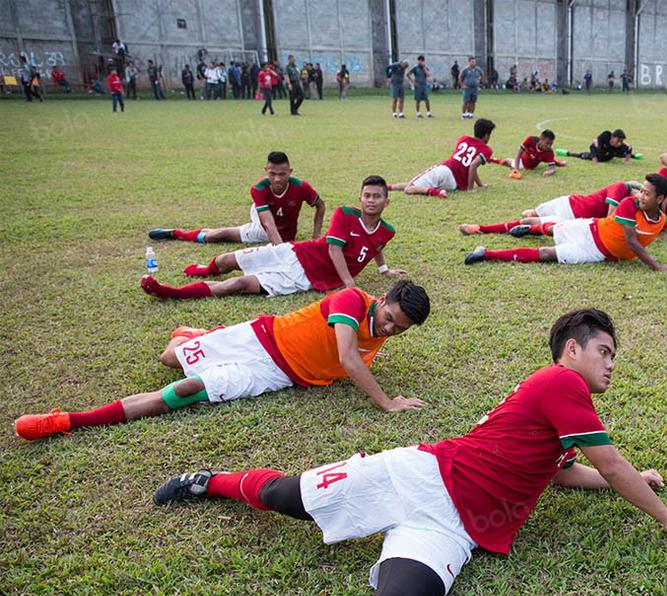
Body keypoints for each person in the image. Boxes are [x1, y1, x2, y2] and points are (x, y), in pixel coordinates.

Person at [146, 308, 667, 596]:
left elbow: (563, 474)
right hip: (420, 477)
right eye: (604, 352)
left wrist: (630, 482)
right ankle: (208, 481)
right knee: (286, 497)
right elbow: (610, 464)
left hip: (455, 528)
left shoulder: (553, 399)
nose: (611, 365)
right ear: (572, 349)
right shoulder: (561, 382)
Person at [14, 280, 431, 442]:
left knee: (184, 391)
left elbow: (343, 361)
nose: (390, 329)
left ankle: (67, 420)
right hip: (259, 338)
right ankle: (195, 336)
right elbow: (345, 357)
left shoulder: (380, 333)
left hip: (272, 375)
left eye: (400, 329)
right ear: (385, 299)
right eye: (390, 318)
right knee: (169, 359)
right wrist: (387, 402)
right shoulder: (351, 300)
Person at [139, 176, 403, 300]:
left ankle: (171, 293)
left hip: (304, 279)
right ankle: (204, 270)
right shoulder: (344, 214)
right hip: (296, 252)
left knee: (239, 284)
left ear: (386, 202)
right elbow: (334, 251)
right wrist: (350, 284)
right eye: (366, 195)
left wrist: (383, 268)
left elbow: (376, 245)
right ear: (360, 198)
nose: (371, 200)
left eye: (376, 196)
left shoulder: (387, 231)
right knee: (227, 259)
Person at [464, 175, 667, 271]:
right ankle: (531, 228)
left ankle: (486, 253)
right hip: (588, 230)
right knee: (552, 228)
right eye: (641, 191)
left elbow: (645, 234)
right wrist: (657, 266)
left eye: (647, 194)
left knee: (547, 254)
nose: (641, 196)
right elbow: (632, 242)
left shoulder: (661, 220)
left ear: (660, 199)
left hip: (597, 253)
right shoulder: (629, 203)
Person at [149, 152, 325, 245]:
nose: (277, 179)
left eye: (282, 174)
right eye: (272, 174)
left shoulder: (301, 187)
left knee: (280, 235)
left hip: (276, 223)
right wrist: (280, 251)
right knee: (220, 235)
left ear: (290, 172)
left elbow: (320, 205)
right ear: (266, 171)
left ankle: (204, 230)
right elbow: (269, 224)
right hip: (263, 221)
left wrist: (316, 234)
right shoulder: (258, 189)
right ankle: (176, 233)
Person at [458, 181, 642, 235]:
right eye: (643, 192)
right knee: (531, 212)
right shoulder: (621, 188)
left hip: (571, 219)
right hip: (569, 203)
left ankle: (480, 228)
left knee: (528, 221)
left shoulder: (634, 206)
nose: (643, 197)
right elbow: (609, 218)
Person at [390, 118, 495, 199]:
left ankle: (437, 192)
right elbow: (472, 166)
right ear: (486, 135)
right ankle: (388, 187)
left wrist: (470, 189)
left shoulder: (464, 139)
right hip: (454, 184)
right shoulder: (486, 150)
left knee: (410, 188)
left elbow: (472, 166)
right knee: (416, 185)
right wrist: (479, 185)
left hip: (446, 170)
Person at [499, 130, 566, 178]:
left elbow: (552, 168)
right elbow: (518, 154)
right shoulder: (531, 139)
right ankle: (501, 160)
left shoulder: (549, 151)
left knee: (550, 160)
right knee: (504, 162)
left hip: (538, 159)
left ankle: (561, 164)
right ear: (540, 139)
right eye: (547, 143)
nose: (549, 146)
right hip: (523, 161)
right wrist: (516, 169)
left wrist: (550, 171)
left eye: (551, 144)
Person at [565, 129, 633, 164]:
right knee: (585, 155)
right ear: (612, 137)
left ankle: (633, 156)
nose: (619, 143)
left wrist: (627, 161)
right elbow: (592, 146)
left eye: (621, 141)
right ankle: (569, 153)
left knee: (621, 152)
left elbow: (629, 148)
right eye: (618, 140)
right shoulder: (605, 136)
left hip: (609, 155)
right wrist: (595, 161)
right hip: (600, 154)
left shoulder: (620, 145)